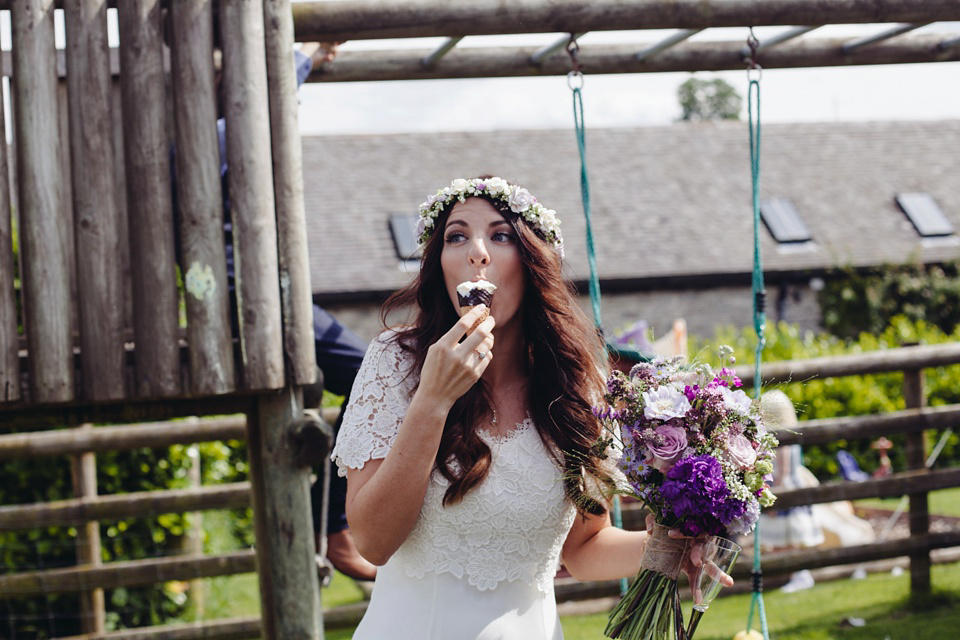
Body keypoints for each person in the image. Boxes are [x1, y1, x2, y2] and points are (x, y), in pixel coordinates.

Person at [331, 176, 726, 639]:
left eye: (501, 235)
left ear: (533, 261)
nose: (477, 251)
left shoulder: (578, 387)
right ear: (440, 264)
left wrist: (672, 547)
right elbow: (373, 543)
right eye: (456, 236)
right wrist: (432, 400)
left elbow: (584, 546)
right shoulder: (395, 363)